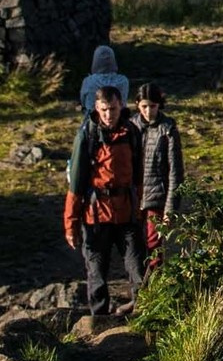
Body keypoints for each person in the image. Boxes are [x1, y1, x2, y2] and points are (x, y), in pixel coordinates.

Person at [62, 74, 142, 321]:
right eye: (105, 109)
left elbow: (138, 175)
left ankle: (144, 313)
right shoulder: (87, 135)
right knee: (96, 270)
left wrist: (143, 211)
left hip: (127, 211)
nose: (109, 114)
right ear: (96, 108)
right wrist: (71, 225)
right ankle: (99, 320)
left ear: (121, 106)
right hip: (97, 214)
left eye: (114, 108)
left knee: (137, 267)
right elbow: (76, 183)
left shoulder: (131, 132)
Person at [132, 81, 184, 263]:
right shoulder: (130, 128)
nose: (148, 111)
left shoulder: (167, 129)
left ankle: (153, 286)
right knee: (135, 247)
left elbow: (175, 172)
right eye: (144, 106)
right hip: (133, 197)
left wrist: (171, 208)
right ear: (138, 104)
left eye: (152, 106)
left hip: (157, 198)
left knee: (154, 247)